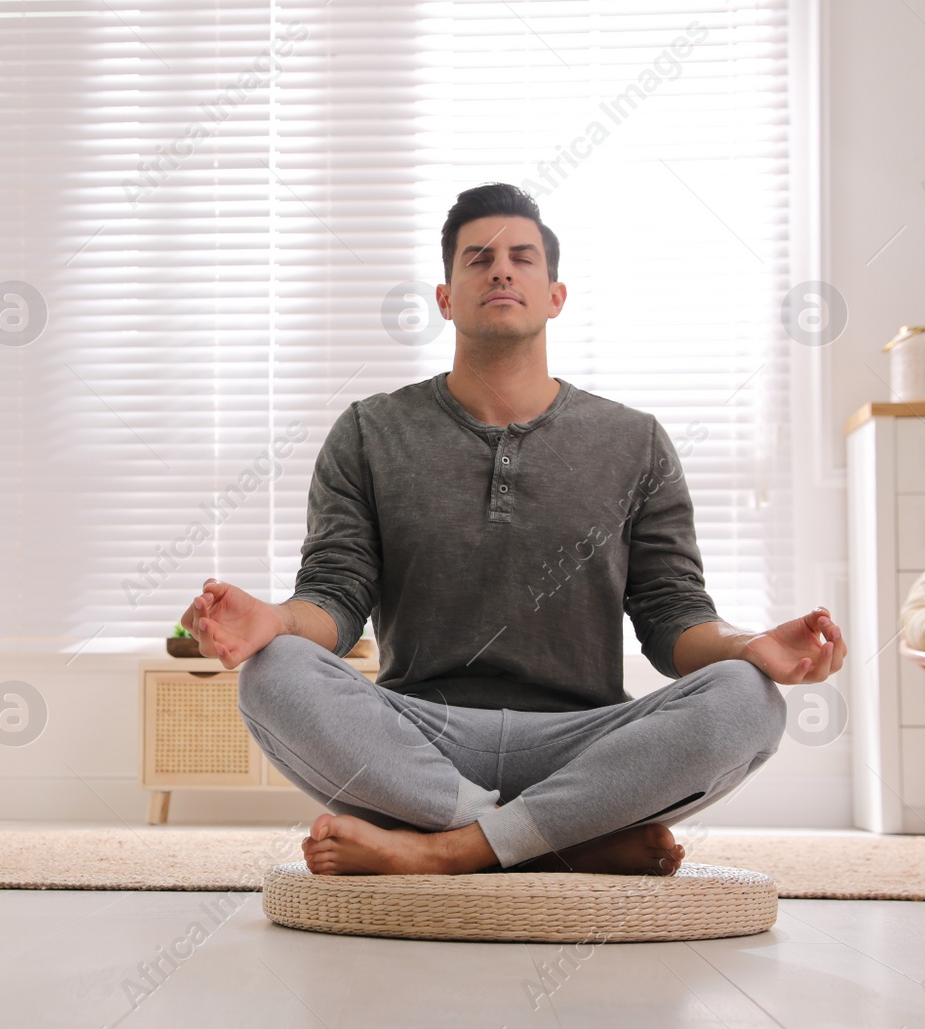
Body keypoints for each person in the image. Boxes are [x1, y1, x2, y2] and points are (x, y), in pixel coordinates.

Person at [178, 183, 846, 877]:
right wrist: (273, 621)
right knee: (274, 673)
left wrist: (753, 645)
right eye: (478, 259)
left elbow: (671, 617)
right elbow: (336, 598)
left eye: (523, 258)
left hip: (586, 742)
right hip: (422, 742)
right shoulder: (369, 431)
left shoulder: (635, 441)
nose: (501, 270)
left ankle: (447, 849)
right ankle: (566, 836)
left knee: (746, 697)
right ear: (445, 298)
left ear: (555, 294)